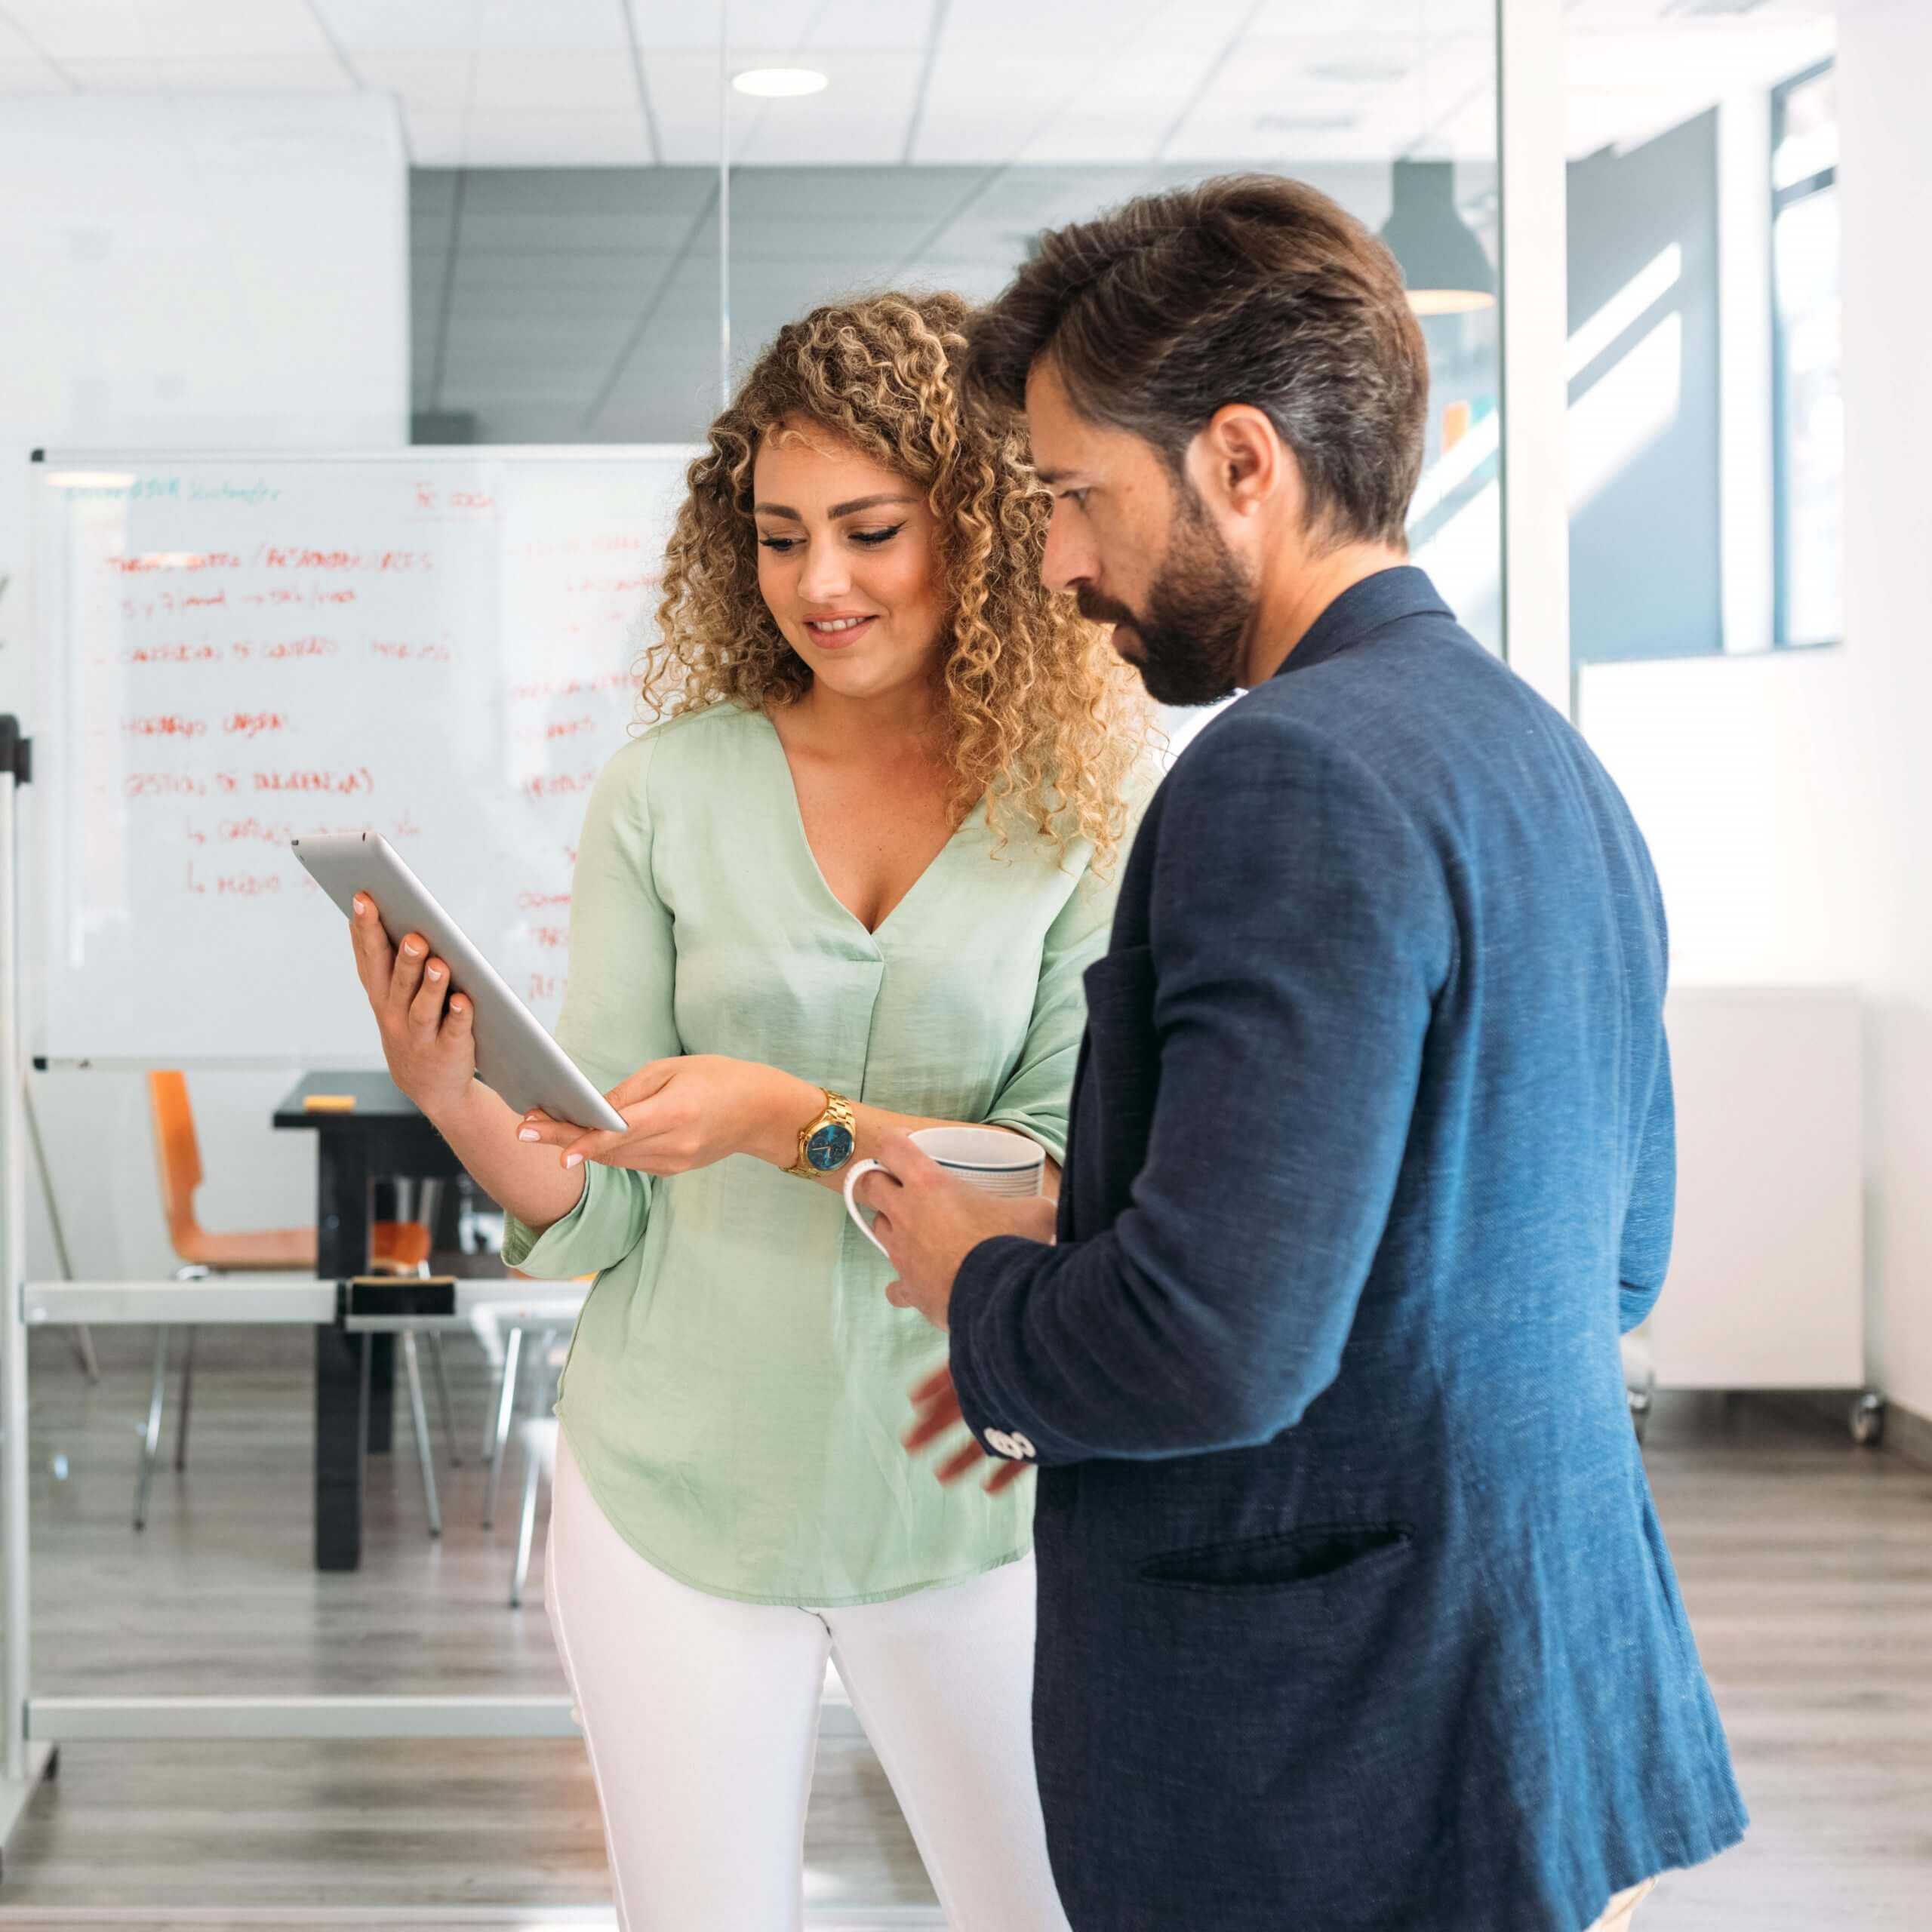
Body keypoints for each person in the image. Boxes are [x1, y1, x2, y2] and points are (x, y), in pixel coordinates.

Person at [855, 176, 1748, 1932]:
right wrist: (1092, 1290)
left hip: (1339, 1752)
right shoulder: (1542, 760)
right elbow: (1607, 1258)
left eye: (1069, 496)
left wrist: (988, 1293)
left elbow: (1213, 1347)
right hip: (1532, 1706)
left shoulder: (1289, 778)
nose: (1055, 562)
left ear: (1239, 464)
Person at [343, 289, 1147, 1931]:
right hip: (676, 1488)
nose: (819, 585)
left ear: (979, 525)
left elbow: (1057, 1182)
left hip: (971, 1485)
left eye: (867, 531)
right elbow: (606, 1190)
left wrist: (789, 1115)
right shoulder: (669, 789)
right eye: (778, 537)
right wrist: (458, 1097)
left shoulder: (1076, 810)